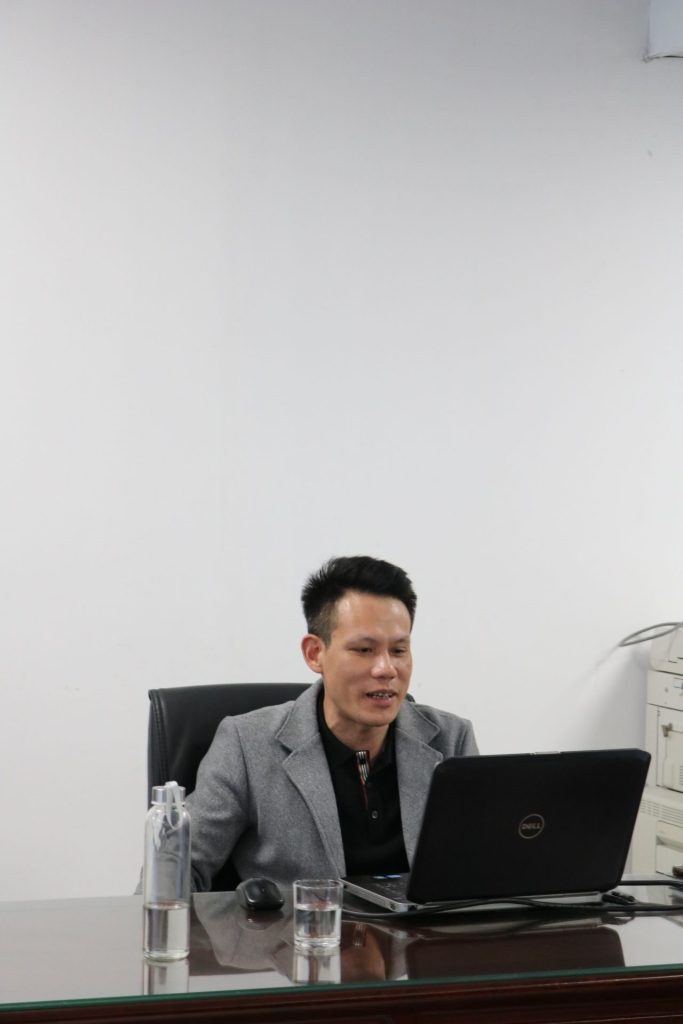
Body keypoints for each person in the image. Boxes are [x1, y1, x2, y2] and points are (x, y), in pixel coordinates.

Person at [187, 555, 478, 891]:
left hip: (423, 928)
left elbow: (485, 866)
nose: (386, 669)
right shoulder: (246, 746)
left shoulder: (451, 741)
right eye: (364, 650)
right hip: (299, 925)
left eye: (399, 650)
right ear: (315, 653)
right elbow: (174, 871)